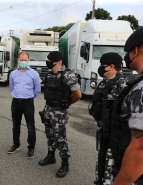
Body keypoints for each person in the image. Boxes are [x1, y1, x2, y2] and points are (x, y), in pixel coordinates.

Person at [38, 51, 81, 178]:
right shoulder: (50, 74)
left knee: (60, 137)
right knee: (49, 135)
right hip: (48, 108)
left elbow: (78, 95)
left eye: (48, 59)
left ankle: (65, 163)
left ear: (56, 61)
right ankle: (51, 156)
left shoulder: (68, 75)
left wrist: (67, 103)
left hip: (59, 112)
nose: (47, 61)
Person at [110, 27, 143, 185]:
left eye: (127, 53)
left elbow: (140, 149)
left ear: (135, 51)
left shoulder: (141, 88)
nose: (126, 58)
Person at [88, 52, 126, 185]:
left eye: (102, 65)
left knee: (112, 171)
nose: (100, 68)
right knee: (102, 163)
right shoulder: (103, 83)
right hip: (104, 132)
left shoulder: (123, 85)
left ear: (111, 66)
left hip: (116, 136)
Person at [8, 51, 41, 159]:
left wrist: (29, 96)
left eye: (25, 60)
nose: (23, 62)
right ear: (18, 60)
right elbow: (12, 86)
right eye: (21, 60)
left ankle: (31, 148)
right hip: (16, 102)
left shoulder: (34, 73)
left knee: (31, 127)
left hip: (28, 103)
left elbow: (37, 89)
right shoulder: (13, 73)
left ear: (28, 60)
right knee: (15, 126)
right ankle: (16, 144)